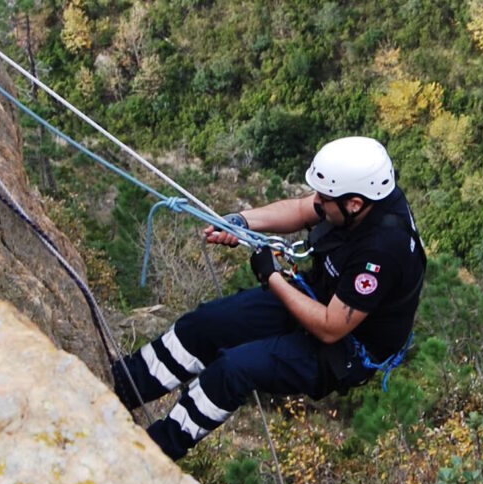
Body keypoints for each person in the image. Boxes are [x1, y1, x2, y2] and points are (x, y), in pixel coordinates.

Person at [115, 137, 426, 463]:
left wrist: (272, 277)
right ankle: (122, 383)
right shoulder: (360, 198)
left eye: (326, 198)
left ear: (354, 204)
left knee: (232, 370)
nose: (319, 201)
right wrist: (241, 221)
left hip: (344, 349)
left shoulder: (383, 251)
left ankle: (150, 454)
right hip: (316, 296)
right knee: (206, 324)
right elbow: (302, 209)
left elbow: (331, 327)